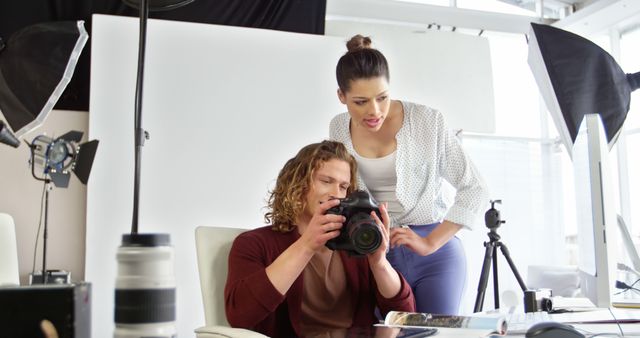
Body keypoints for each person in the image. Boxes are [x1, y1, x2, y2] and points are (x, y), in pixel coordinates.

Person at [330, 35, 488, 315]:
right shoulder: (339, 128)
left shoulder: (428, 121)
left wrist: (431, 242)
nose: (374, 111)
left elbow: (474, 187)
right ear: (341, 96)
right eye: (360, 101)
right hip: (374, 250)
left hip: (436, 255)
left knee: (437, 334)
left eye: (382, 97)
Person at [225, 140, 416, 337]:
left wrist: (379, 263)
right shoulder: (254, 244)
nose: (336, 194)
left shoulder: (355, 242)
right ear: (297, 183)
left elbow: (405, 318)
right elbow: (240, 316)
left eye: (343, 187)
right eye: (326, 181)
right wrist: (307, 245)